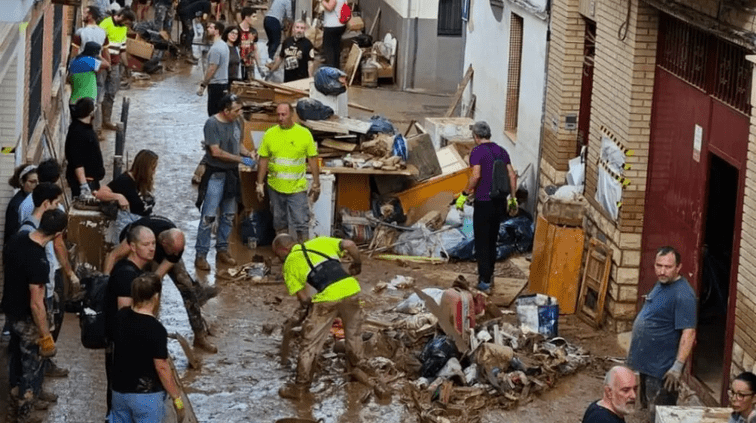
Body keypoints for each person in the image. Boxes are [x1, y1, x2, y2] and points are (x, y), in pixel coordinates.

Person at [104, 215, 220, 352]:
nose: (176, 253)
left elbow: (156, 277)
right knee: (139, 290)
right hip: (139, 253)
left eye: (177, 252)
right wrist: (104, 281)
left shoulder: (176, 244)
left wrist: (153, 285)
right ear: (164, 243)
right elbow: (113, 256)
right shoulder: (142, 237)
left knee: (186, 288)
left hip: (161, 252)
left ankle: (199, 336)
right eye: (173, 251)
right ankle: (142, 332)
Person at [272, 233, 363, 399]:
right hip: (351, 290)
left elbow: (303, 298)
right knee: (354, 334)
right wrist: (357, 263)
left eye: (278, 255)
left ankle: (300, 387)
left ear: (284, 249)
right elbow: (349, 244)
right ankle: (356, 372)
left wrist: (308, 309)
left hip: (327, 298)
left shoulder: (290, 264)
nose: (280, 260)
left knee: (310, 343)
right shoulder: (320, 242)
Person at [2, 209, 68, 422]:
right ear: (59, 234)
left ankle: (15, 403)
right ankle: (23, 414)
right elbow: (37, 304)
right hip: (28, 319)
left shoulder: (17, 240)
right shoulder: (39, 259)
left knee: (17, 360)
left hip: (11, 313)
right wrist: (45, 336)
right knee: (31, 367)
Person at [627, 246, 697, 420]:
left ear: (678, 268)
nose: (662, 271)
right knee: (646, 410)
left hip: (662, 371)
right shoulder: (662, 282)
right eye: (659, 266)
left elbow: (689, 333)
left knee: (660, 415)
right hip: (647, 365)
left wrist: (677, 367)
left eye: (668, 267)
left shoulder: (684, 295)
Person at [109, 273, 185, 423]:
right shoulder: (156, 329)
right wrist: (178, 399)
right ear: (156, 297)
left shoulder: (120, 317)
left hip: (119, 392)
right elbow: (161, 367)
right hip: (147, 397)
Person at [195, 93, 255, 270]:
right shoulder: (212, 124)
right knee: (209, 216)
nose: (239, 113)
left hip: (231, 174)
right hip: (216, 174)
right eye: (236, 110)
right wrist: (240, 160)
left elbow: (238, 145)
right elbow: (216, 152)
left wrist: (248, 153)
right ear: (225, 110)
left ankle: (222, 249)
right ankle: (201, 254)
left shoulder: (237, 122)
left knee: (228, 215)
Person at [455, 121, 517, 293]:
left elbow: (476, 175)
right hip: (499, 202)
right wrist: (513, 198)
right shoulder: (502, 151)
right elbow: (512, 175)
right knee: (492, 240)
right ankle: (490, 276)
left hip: (483, 202)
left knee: (482, 241)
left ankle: (484, 282)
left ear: (476, 136)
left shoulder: (477, 152)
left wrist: (464, 194)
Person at [17, 183, 69, 382]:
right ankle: (27, 397)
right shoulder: (35, 253)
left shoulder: (26, 235)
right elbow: (36, 303)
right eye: (56, 202)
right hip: (32, 300)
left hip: (32, 296)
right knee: (31, 353)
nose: (57, 206)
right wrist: (47, 338)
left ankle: (35, 388)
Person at [104, 225, 155, 414]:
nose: (151, 248)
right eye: (146, 244)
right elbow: (125, 316)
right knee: (119, 396)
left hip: (123, 344)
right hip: (122, 346)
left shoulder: (135, 271)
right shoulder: (127, 275)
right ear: (132, 247)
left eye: (153, 243)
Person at [256, 103, 320, 242]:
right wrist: (259, 184)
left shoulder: (304, 134)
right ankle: (283, 253)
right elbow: (263, 160)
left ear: (292, 114)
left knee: (301, 221)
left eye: (283, 114)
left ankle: (303, 253)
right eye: (278, 114)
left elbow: (313, 159)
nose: (280, 118)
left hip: (296, 188)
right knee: (279, 222)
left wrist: (316, 183)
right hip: (275, 186)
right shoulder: (270, 134)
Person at [97, 149, 158, 238]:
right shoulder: (125, 180)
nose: (154, 171)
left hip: (145, 225)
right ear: (144, 168)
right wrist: (118, 196)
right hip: (131, 228)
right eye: (152, 168)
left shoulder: (144, 181)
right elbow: (100, 193)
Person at [72, 6, 111, 139]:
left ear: (90, 16)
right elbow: (106, 52)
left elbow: (74, 52)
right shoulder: (103, 32)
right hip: (99, 66)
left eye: (85, 12)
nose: (83, 14)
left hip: (84, 66)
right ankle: (97, 129)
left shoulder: (80, 32)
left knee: (83, 96)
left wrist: (71, 67)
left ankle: (87, 128)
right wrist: (108, 66)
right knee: (97, 100)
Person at [99, 8, 135, 131]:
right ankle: (97, 125)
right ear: (120, 17)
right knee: (99, 93)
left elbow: (122, 50)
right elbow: (101, 47)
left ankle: (106, 120)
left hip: (114, 65)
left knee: (111, 92)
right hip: (102, 64)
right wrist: (106, 62)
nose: (127, 26)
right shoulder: (105, 24)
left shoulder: (123, 29)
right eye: (126, 23)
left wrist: (127, 66)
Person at [65, 97, 106, 199]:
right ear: (91, 113)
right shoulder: (79, 133)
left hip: (92, 180)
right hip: (86, 183)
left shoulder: (79, 127)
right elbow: (77, 162)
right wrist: (84, 186)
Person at [198, 21, 229, 117]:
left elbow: (212, 68)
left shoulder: (216, 48)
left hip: (216, 85)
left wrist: (203, 84)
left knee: (213, 114)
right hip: (223, 84)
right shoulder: (224, 45)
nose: (208, 29)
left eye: (211, 28)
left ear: (217, 31)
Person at [69, 42, 110, 113]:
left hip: (75, 100)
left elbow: (98, 70)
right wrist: (99, 56)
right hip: (86, 102)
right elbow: (107, 65)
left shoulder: (76, 59)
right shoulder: (89, 61)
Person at [4, 165, 38, 245]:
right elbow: (12, 232)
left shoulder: (33, 198)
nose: (36, 185)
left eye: (38, 181)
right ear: (22, 182)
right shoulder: (17, 204)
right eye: (32, 182)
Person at [321, 0, 346, 68]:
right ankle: (336, 70)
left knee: (329, 52)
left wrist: (322, 1)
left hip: (331, 26)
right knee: (336, 51)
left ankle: (331, 72)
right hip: (340, 25)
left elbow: (330, 7)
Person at [238, 6, 260, 80]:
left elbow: (255, 49)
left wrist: (259, 66)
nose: (256, 19)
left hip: (250, 65)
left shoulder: (254, 32)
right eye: (253, 16)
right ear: (247, 17)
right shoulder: (236, 30)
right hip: (238, 65)